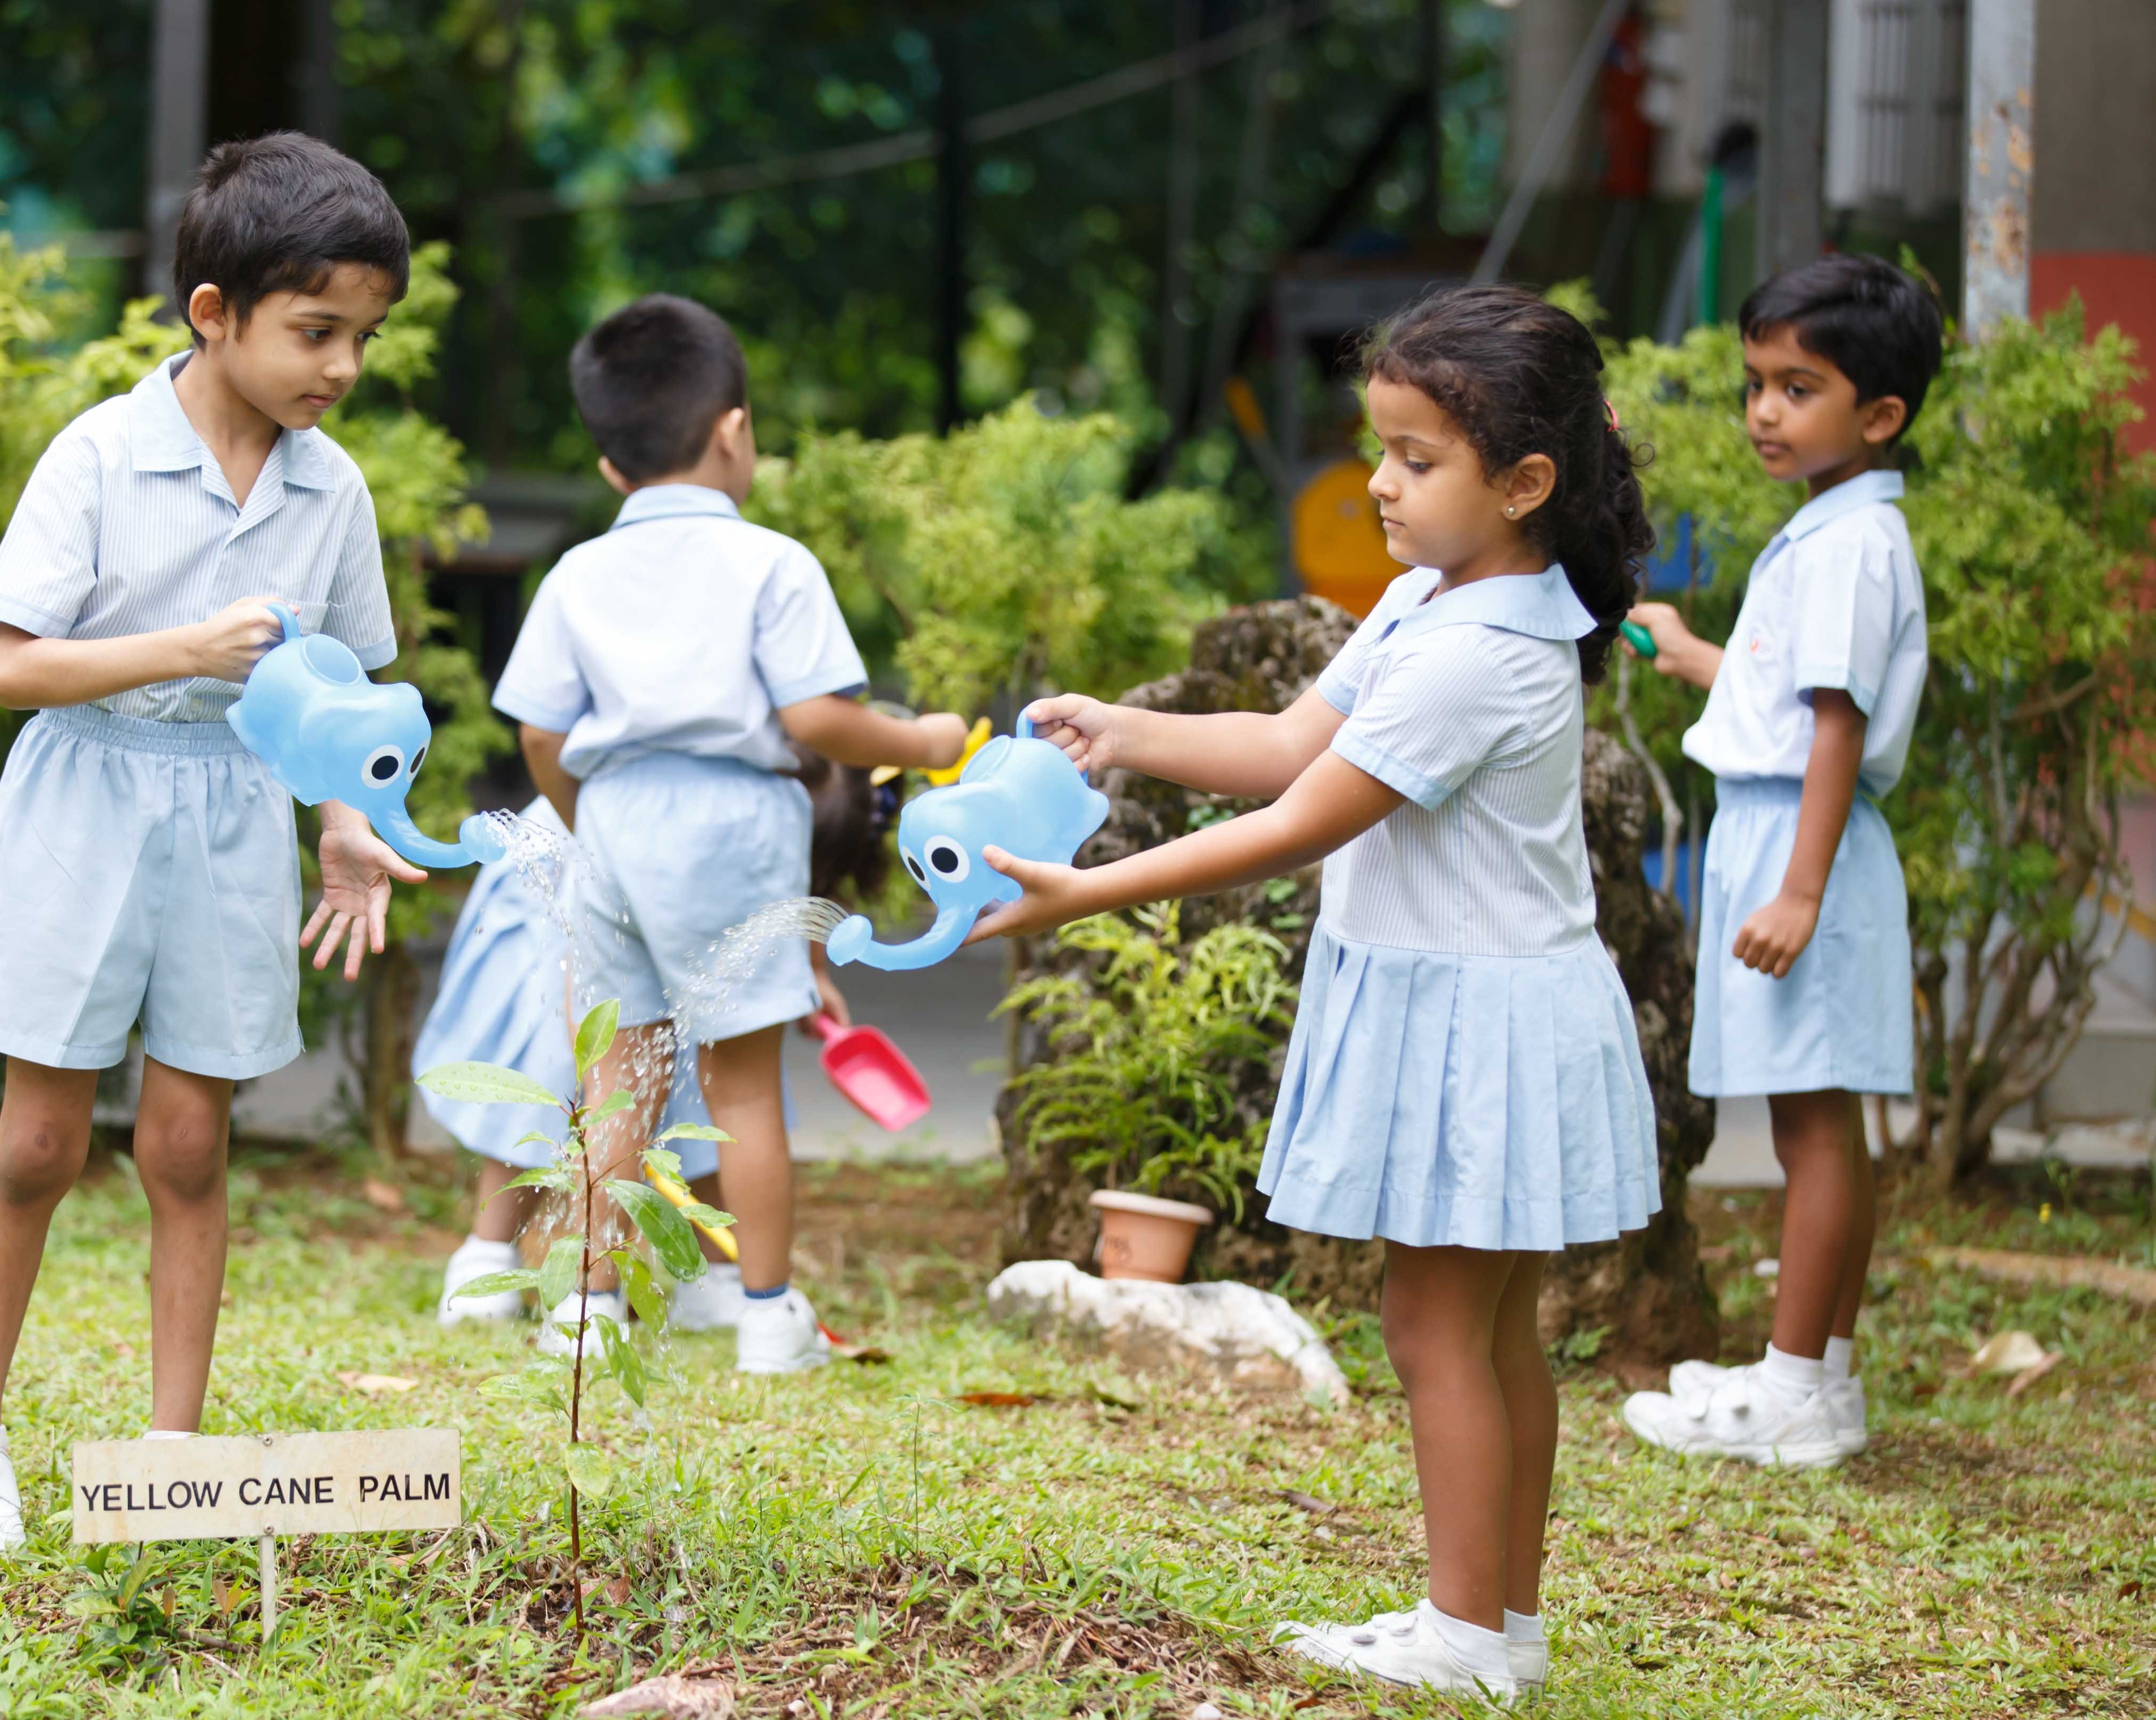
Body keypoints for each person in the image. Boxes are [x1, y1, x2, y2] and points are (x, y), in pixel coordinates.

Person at [965, 286, 1659, 1701]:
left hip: (1477, 1022)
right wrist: (1126, 731)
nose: (1378, 486)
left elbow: (1300, 822)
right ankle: (1495, 1626)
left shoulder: (1479, 651)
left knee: (1434, 1329)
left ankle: (1468, 1637)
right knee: (1482, 1327)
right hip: (1491, 1007)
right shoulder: (1434, 599)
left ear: (1523, 483)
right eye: (1379, 449)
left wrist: (1076, 889)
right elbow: (1289, 741)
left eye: (1415, 460)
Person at [0, 134, 426, 1558]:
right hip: (83, 797)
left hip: (232, 811)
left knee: (191, 1144)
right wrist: (183, 647)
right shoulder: (98, 452)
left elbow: (337, 702)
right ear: (215, 314)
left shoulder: (336, 493)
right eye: (315, 330)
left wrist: (342, 829)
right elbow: (15, 669)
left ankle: (173, 1463)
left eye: (362, 337)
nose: (341, 366)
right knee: (37, 1140)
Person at [491, 295, 966, 1373]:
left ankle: (584, 1305)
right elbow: (815, 721)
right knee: (744, 1083)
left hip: (609, 820)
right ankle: (765, 1314)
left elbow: (537, 732)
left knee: (617, 1076)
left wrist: (582, 821)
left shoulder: (577, 574)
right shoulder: (774, 565)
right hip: (734, 821)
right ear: (736, 430)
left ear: (611, 467)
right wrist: (919, 732)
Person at [1618, 254, 1942, 1470]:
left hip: (1803, 848)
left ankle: (1796, 1388)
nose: (1763, 411)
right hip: (1781, 830)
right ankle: (1818, 1379)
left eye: (1796, 387)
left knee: (1811, 1129)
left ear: (1877, 415)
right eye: (1756, 383)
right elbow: (1777, 694)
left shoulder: (1853, 546)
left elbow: (1835, 726)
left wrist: (1796, 889)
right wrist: (1690, 647)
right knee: (1818, 1123)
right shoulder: (1826, 529)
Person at [424, 754, 890, 1349]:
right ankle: (486, 1255)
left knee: (699, 1069)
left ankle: (704, 1276)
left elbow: (789, 899)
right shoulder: (718, 779)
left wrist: (811, 970)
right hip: (555, 892)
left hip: (664, 882)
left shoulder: (753, 793)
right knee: (564, 1071)